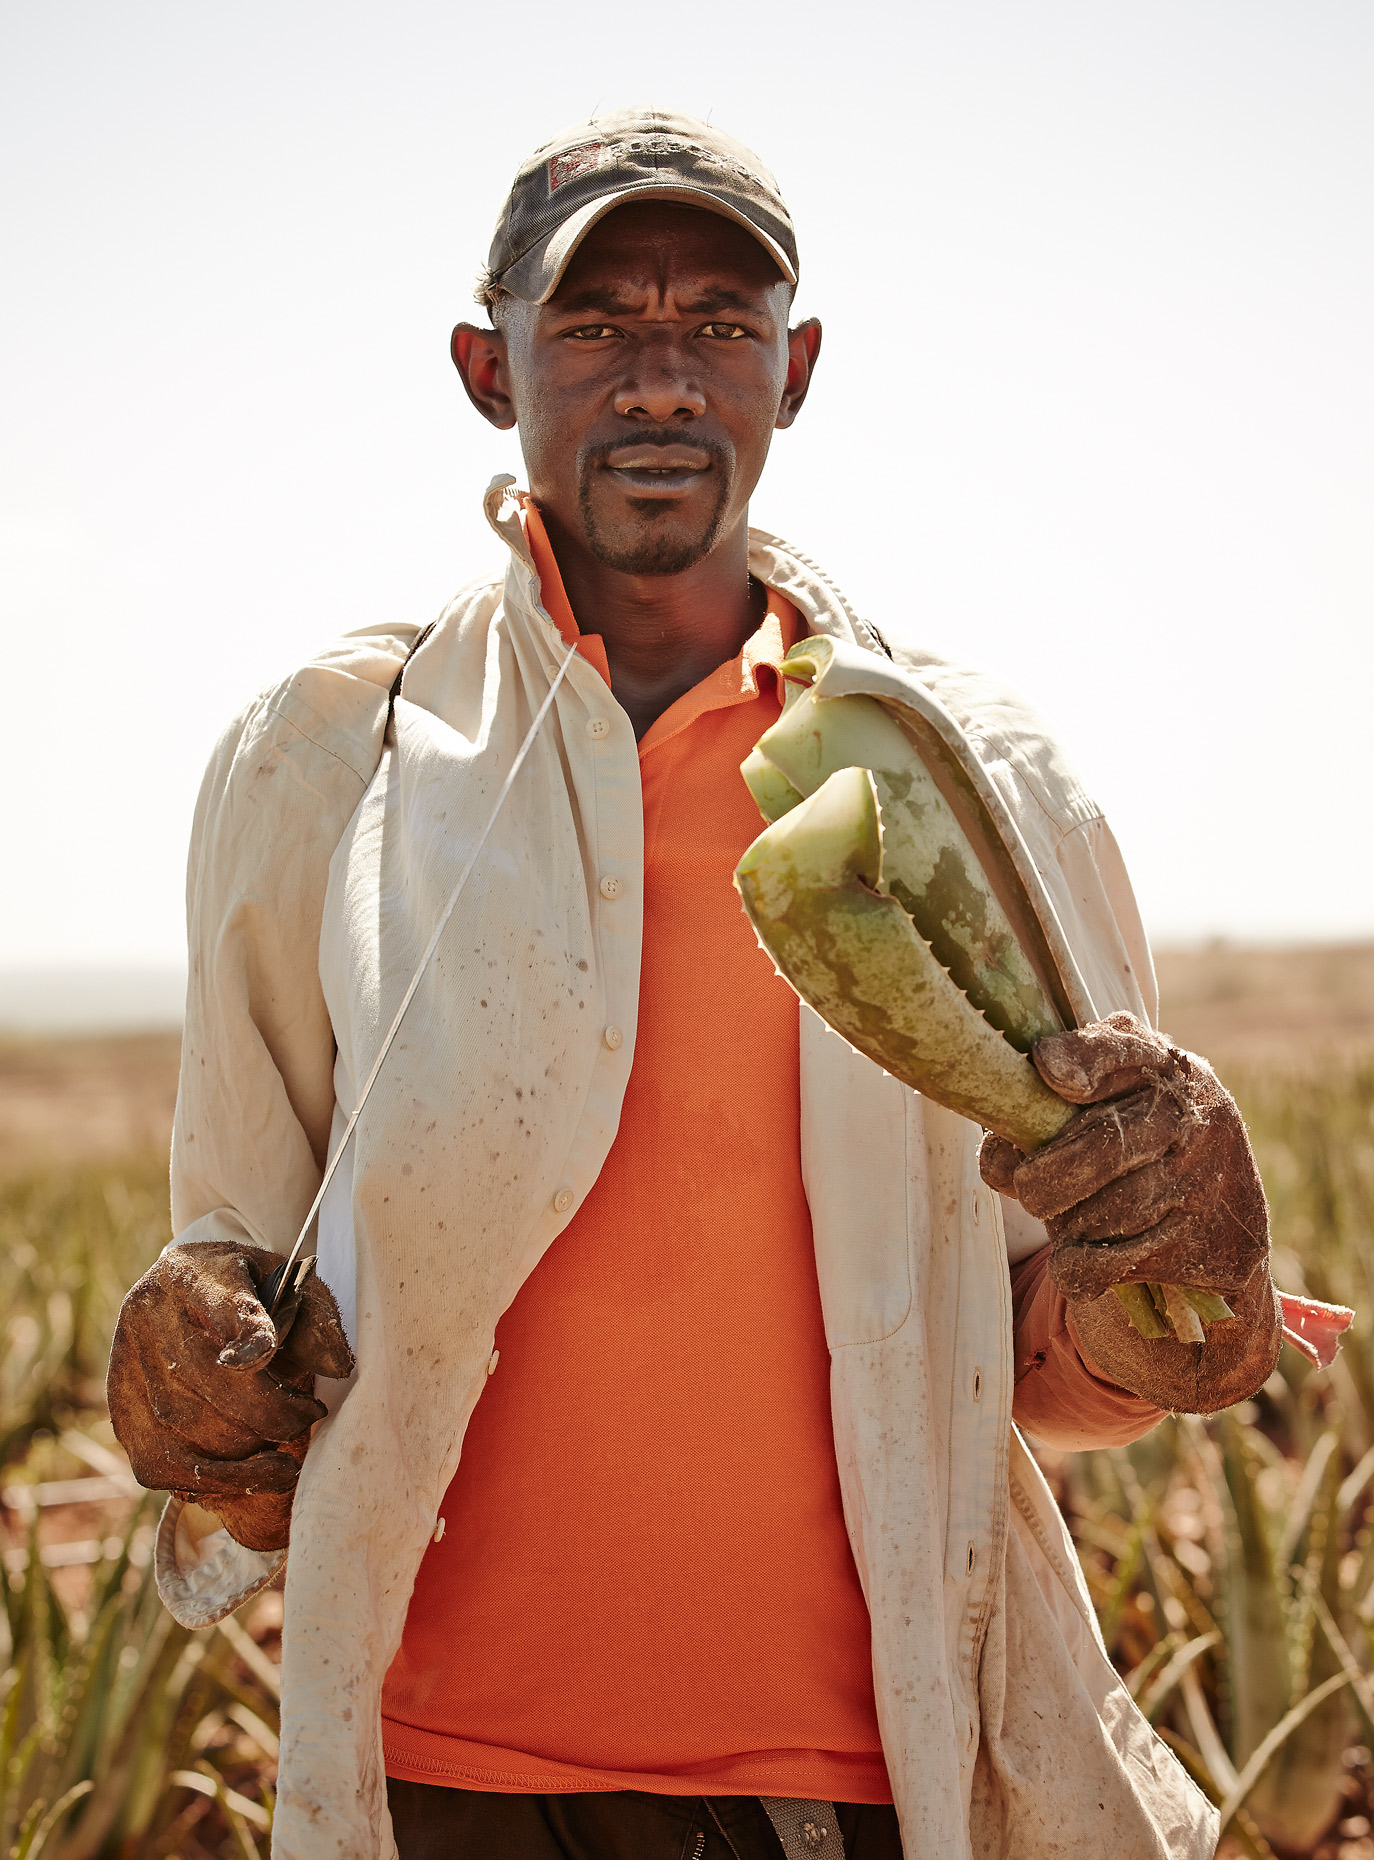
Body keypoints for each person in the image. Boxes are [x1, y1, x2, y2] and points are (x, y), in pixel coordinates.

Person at [108, 110, 1281, 1860]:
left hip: (849, 1778)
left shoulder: (972, 788)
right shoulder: (332, 763)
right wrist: (184, 1362)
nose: (660, 380)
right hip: (441, 1780)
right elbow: (240, 1272)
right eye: (592, 327)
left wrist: (1188, 1265)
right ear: (481, 366)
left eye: (719, 326)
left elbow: (1059, 1352)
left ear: (792, 371)